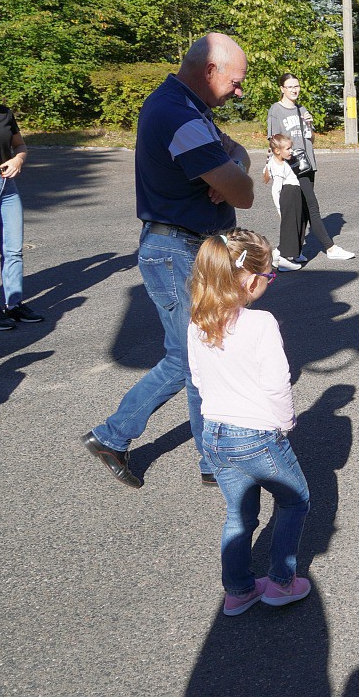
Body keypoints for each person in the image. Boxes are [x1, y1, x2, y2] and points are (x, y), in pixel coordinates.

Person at [82, 33, 255, 489]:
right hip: (175, 248)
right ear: (211, 71)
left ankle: (209, 460)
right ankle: (112, 436)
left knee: (201, 353)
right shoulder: (178, 115)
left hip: (189, 246)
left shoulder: (189, 108)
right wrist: (233, 176)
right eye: (235, 81)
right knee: (188, 357)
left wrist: (231, 163)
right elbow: (246, 192)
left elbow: (240, 154)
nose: (240, 91)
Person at [187, 229, 311, 615]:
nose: (269, 283)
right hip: (257, 434)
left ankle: (239, 590)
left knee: (239, 513)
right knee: (295, 501)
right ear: (251, 278)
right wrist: (285, 424)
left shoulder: (198, 322)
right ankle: (281, 582)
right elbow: (277, 383)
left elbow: (198, 379)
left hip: (214, 433)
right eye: (269, 276)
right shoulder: (260, 323)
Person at [0, 62, 42, 330]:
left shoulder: (4, 114)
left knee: (13, 250)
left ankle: (14, 304)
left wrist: (19, 160)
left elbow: (20, 145)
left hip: (8, 187)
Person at [267, 73, 354, 262]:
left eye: (296, 86)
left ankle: (287, 250)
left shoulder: (302, 109)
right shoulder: (276, 110)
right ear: (282, 89)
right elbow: (273, 141)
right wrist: (278, 167)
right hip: (292, 165)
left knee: (304, 210)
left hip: (308, 163)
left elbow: (310, 139)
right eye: (290, 87)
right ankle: (330, 248)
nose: (294, 90)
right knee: (312, 207)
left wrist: (309, 125)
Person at [263, 134, 306, 271]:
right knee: (290, 227)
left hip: (294, 193)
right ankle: (283, 259)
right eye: (288, 149)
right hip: (289, 194)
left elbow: (266, 169)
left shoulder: (277, 160)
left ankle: (295, 253)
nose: (291, 151)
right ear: (277, 151)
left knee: (300, 222)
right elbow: (275, 190)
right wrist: (279, 209)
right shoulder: (279, 166)